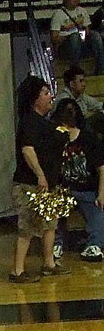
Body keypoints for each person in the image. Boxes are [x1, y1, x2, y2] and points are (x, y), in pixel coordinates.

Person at [9, 76, 70, 283]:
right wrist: (40, 175)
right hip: (29, 185)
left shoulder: (45, 123)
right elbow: (28, 150)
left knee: (50, 224)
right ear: (35, 100)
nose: (50, 96)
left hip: (47, 185)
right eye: (45, 93)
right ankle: (17, 271)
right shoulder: (29, 122)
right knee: (27, 227)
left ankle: (49, 263)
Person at [51, 98, 104, 263]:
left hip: (87, 188)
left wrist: (101, 193)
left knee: (98, 213)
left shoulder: (89, 138)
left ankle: (94, 245)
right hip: (63, 189)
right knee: (54, 212)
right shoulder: (56, 139)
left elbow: (101, 168)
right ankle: (55, 244)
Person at [50, 0, 104, 74]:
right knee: (74, 37)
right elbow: (54, 39)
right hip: (66, 48)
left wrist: (84, 31)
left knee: (96, 35)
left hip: (82, 44)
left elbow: (87, 31)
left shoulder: (82, 11)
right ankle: (75, 72)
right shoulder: (58, 15)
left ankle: (101, 69)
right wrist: (69, 35)